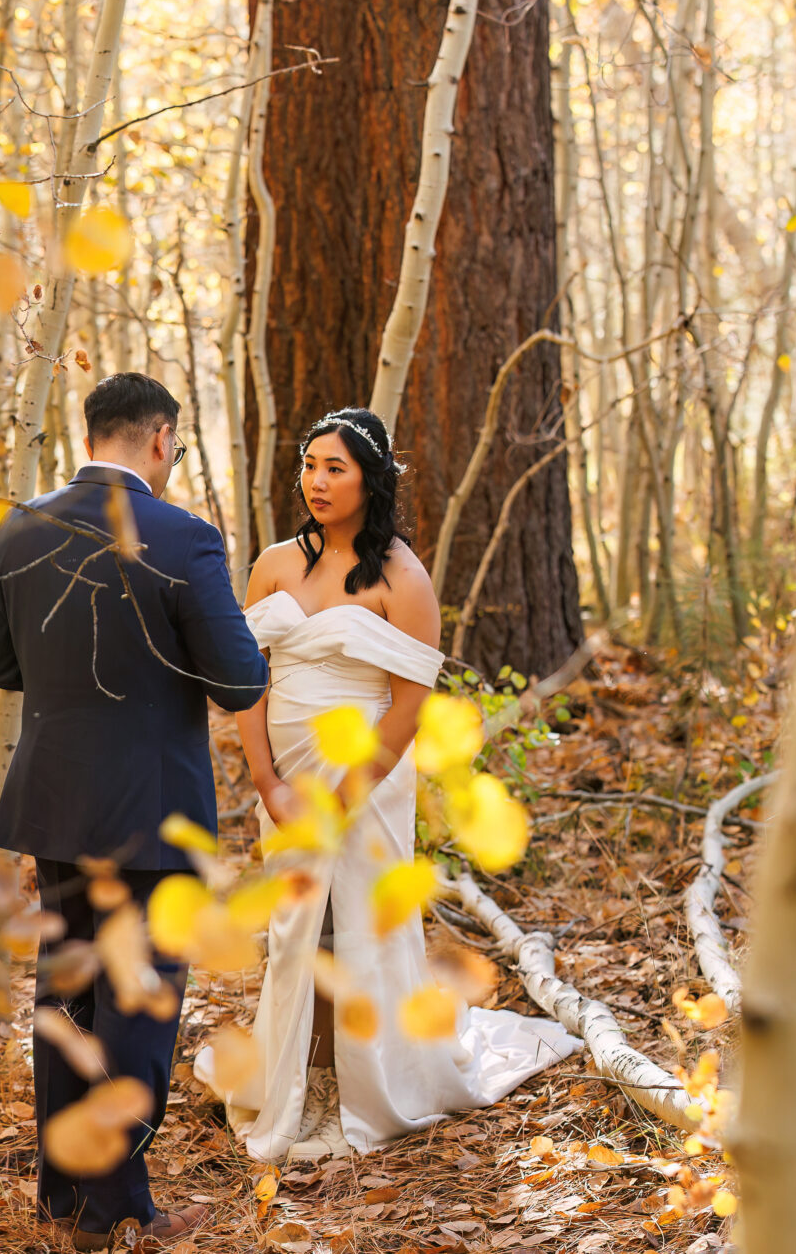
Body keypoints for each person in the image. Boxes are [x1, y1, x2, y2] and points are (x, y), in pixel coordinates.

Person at [198, 406, 578, 1162]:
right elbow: (250, 681)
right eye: (309, 465)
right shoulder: (274, 564)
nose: (317, 481)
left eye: (335, 467)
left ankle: (365, 1084)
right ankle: (297, 1078)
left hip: (366, 778)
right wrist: (268, 780)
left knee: (362, 922)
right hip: (289, 781)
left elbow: (409, 707)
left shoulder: (403, 577)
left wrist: (347, 793)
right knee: (296, 925)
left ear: (370, 479)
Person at [0, 372, 268, 1251]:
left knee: (67, 996)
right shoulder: (183, 538)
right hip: (150, 809)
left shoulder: (19, 527)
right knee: (137, 1008)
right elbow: (240, 679)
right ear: (159, 439)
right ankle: (120, 1211)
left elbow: (2, 667)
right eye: (175, 446)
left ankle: (64, 1197)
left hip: (56, 800)